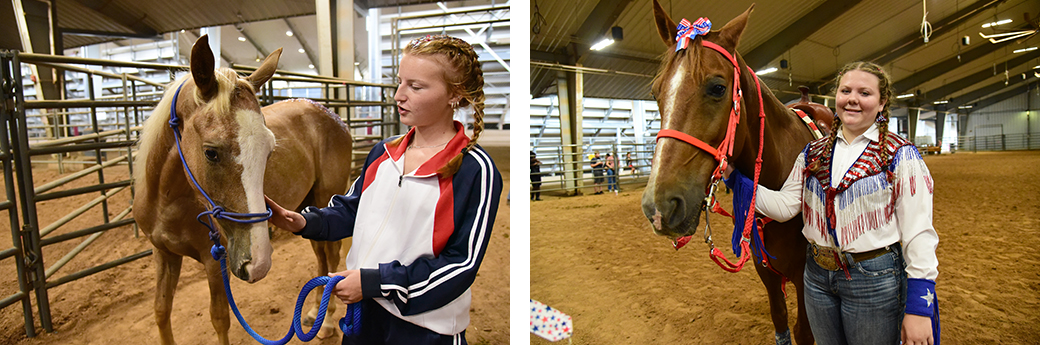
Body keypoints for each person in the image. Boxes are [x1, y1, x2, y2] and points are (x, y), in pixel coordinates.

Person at [265, 35, 503, 345]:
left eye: (416, 87)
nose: (398, 96)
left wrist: (376, 283)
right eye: (400, 82)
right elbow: (352, 209)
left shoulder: (474, 170)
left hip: (425, 328)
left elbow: (461, 264)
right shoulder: (384, 152)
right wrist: (306, 221)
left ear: (454, 95)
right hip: (364, 313)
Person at [725, 61, 939, 345]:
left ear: (882, 102)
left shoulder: (901, 155)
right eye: (846, 90)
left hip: (873, 279)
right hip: (817, 277)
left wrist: (919, 308)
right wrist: (734, 178)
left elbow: (918, 233)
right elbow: (785, 206)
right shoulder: (812, 152)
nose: (852, 99)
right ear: (835, 97)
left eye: (865, 93)